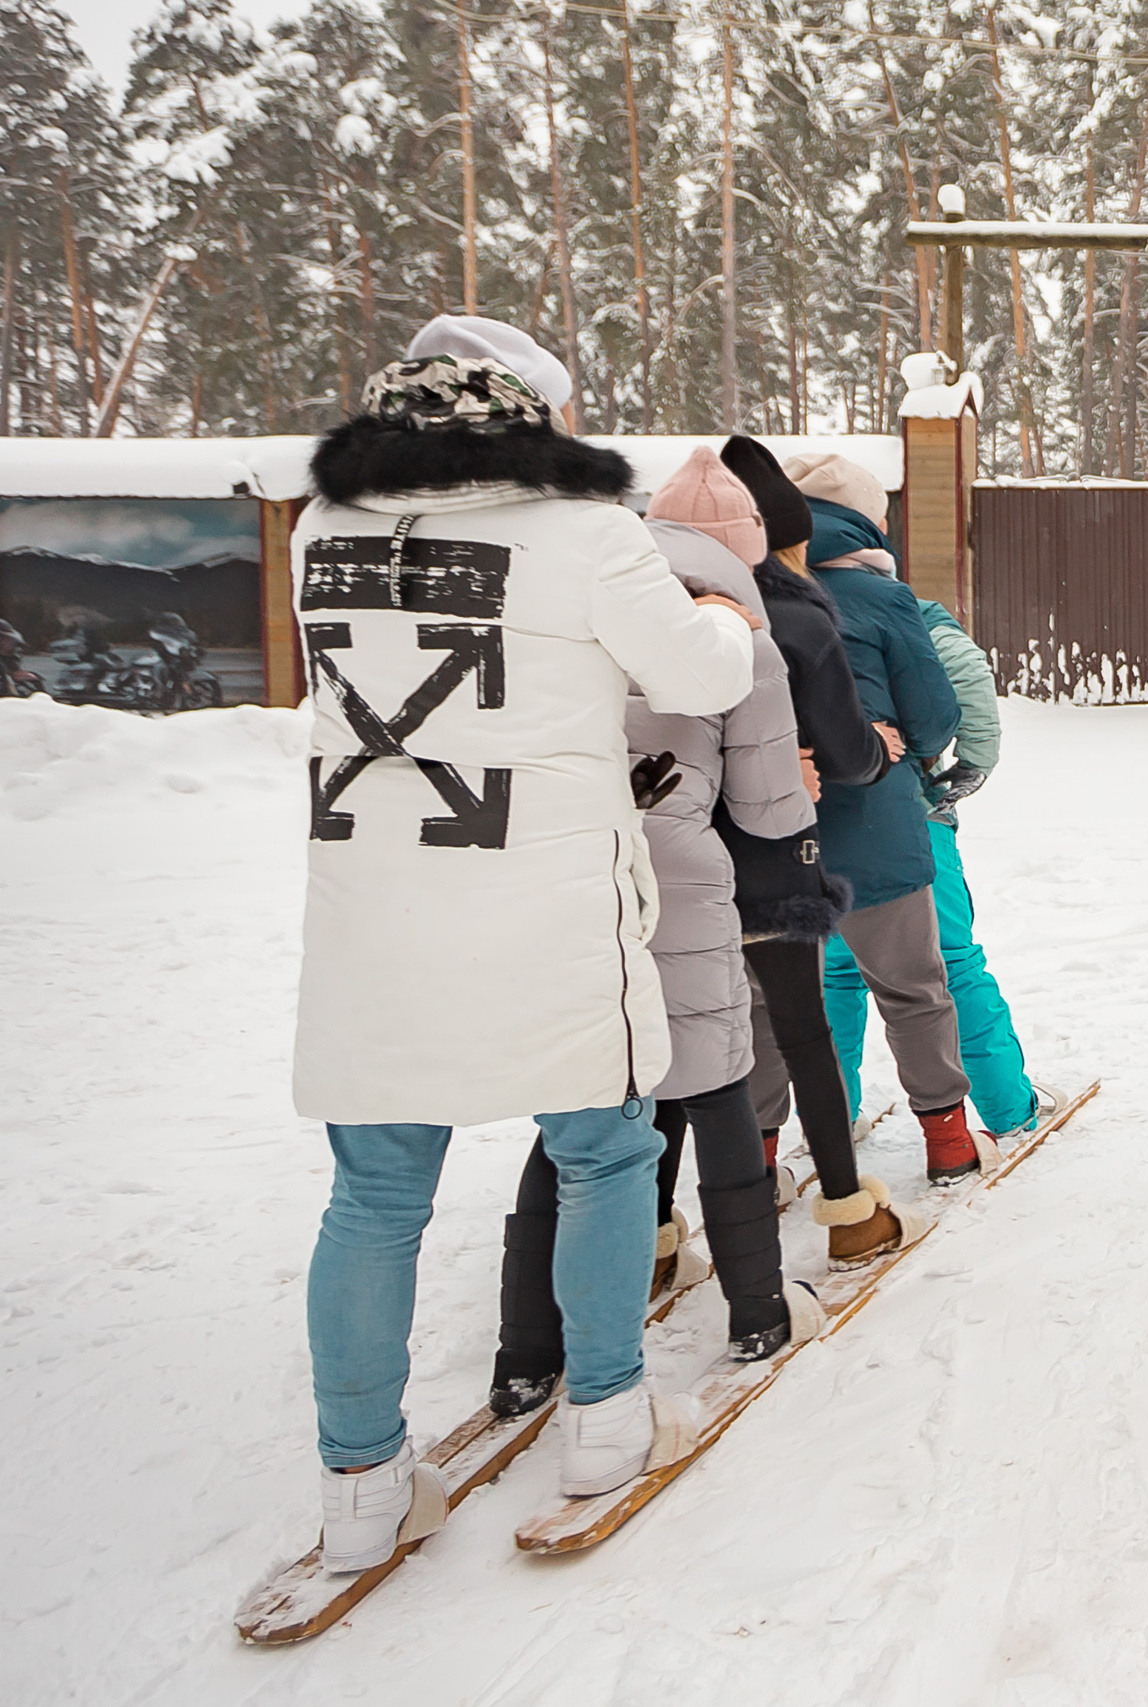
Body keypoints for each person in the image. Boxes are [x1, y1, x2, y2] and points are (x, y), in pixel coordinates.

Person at [290, 317, 755, 1571]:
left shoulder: (320, 530)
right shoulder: (586, 532)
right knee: (604, 1151)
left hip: (376, 908)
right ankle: (605, 1418)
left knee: (376, 1192)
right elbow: (703, 677)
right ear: (530, 418)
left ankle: (356, 1484)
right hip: (541, 897)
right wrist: (716, 603)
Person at [488, 447, 830, 1408]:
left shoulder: (576, 611)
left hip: (566, 870)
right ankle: (756, 1309)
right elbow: (770, 813)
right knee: (716, 1083)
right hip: (679, 878)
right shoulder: (739, 638)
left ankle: (523, 1354)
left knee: (577, 1103)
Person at [717, 437, 980, 1186]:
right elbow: (933, 719)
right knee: (913, 987)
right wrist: (901, 746)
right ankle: (949, 1141)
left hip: (758, 834)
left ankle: (763, 1160)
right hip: (874, 826)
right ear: (867, 521)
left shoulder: (728, 597)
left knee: (765, 1006)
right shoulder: (883, 598)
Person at [785, 451, 1049, 1147]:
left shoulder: (760, 596)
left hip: (793, 820)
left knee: (833, 977)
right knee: (948, 961)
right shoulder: (901, 605)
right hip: (901, 817)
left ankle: (830, 1121)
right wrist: (965, 770)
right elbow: (964, 692)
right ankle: (1007, 1108)